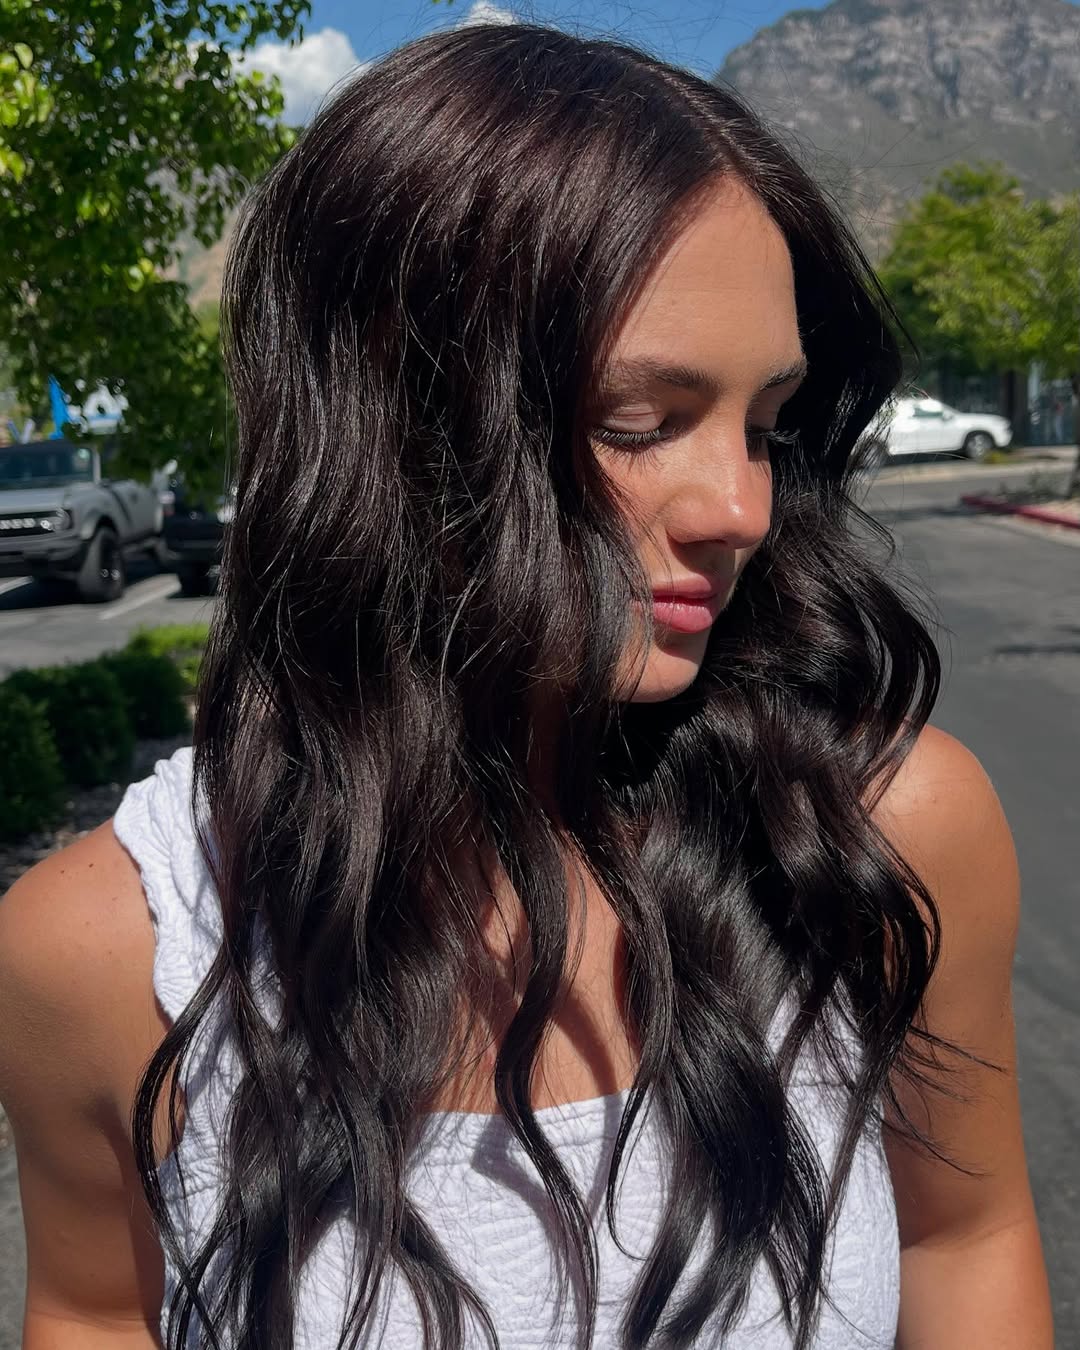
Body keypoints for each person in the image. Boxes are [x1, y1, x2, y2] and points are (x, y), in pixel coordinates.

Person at [0, 24, 1051, 1350]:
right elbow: (92, 1312)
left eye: (767, 422)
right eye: (638, 420)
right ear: (396, 420)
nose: (741, 503)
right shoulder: (112, 951)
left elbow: (966, 1241)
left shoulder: (875, 839)